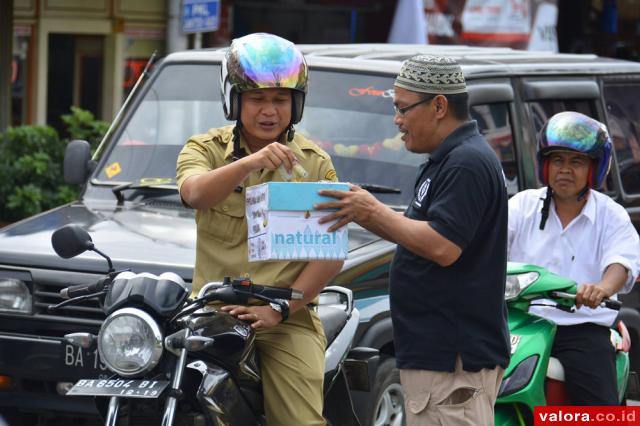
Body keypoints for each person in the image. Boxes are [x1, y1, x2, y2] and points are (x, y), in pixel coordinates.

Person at [315, 55, 510, 425]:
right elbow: (422, 234)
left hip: (453, 360)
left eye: (403, 108)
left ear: (439, 106)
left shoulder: (466, 162)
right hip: (436, 355)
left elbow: (441, 246)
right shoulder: (446, 159)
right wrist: (362, 212)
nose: (396, 120)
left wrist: (370, 211)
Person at [176, 33, 343, 425]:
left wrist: (279, 310)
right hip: (210, 314)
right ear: (234, 100)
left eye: (280, 100)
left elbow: (330, 254)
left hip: (286, 320)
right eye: (257, 99)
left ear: (295, 104)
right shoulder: (205, 149)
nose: (269, 111)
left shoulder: (314, 164)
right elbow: (194, 193)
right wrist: (250, 163)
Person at [507, 111, 640, 405]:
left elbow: (622, 263)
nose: (564, 170)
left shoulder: (611, 215)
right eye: (557, 160)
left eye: (576, 162)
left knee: (597, 412)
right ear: (545, 165)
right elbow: (486, 249)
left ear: (594, 168)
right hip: (518, 321)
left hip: (580, 330)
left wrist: (601, 288)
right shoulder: (521, 206)